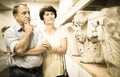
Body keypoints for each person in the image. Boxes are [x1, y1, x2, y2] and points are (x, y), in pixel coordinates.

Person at [4, 3, 48, 77]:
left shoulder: (37, 30)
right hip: (19, 73)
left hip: (37, 72)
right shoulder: (10, 32)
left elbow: (43, 48)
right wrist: (27, 33)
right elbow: (19, 50)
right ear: (15, 17)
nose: (28, 15)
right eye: (24, 13)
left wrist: (24, 53)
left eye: (29, 13)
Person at [39, 5, 67, 77]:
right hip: (43, 69)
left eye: (52, 14)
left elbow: (64, 50)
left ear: (55, 16)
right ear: (43, 18)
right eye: (47, 14)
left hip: (58, 70)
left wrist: (51, 48)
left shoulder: (61, 31)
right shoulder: (39, 33)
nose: (50, 16)